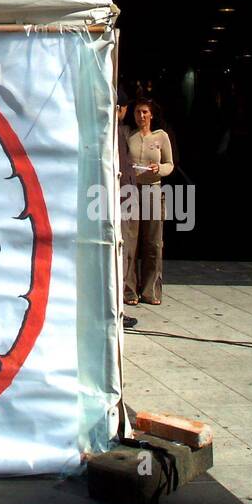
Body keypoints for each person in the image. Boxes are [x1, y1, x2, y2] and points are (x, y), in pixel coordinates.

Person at [126, 97, 174, 306]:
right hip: (132, 191)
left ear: (151, 114)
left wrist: (159, 169)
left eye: (145, 112)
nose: (141, 116)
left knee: (153, 242)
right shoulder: (129, 135)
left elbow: (170, 164)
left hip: (153, 190)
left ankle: (150, 290)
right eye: (138, 112)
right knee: (130, 242)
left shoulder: (161, 137)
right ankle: (129, 291)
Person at [116, 88, 138, 329]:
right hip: (120, 199)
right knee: (121, 254)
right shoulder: (115, 132)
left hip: (122, 197)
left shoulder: (114, 132)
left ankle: (117, 309)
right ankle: (117, 311)